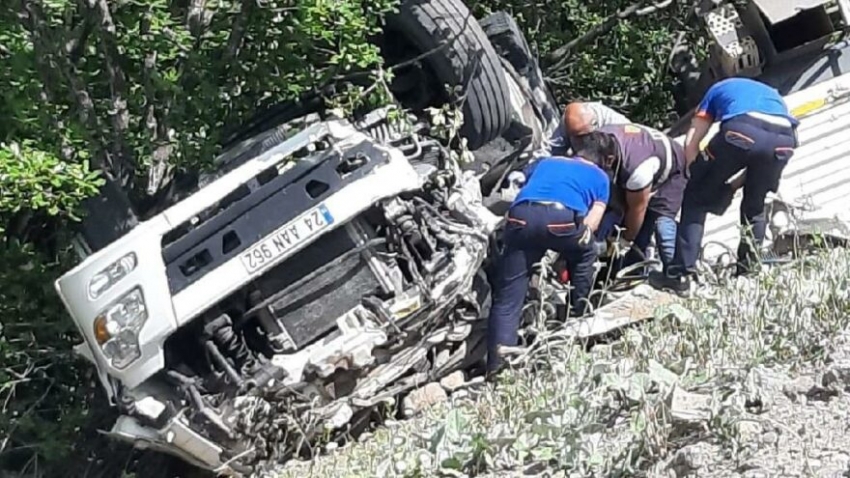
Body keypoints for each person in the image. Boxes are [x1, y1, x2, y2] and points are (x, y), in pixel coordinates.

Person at [650, 77, 799, 293]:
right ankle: (748, 270)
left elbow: (692, 141)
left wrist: (696, 178)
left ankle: (680, 275)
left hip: (742, 129)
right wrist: (729, 187)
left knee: (695, 198)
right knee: (755, 206)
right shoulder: (772, 95)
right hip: (784, 140)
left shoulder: (716, 89)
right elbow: (756, 158)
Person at [486, 136, 617, 373]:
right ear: (607, 159)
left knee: (506, 302)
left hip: (520, 217)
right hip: (561, 221)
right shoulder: (601, 178)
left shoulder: (547, 161)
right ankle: (579, 318)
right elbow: (591, 225)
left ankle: (497, 370)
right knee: (586, 253)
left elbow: (521, 180)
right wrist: (572, 250)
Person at [578, 123, 688, 270]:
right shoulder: (597, 140)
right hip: (642, 151)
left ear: (610, 160)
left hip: (673, 166)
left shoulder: (637, 171)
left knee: (658, 223)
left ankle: (674, 272)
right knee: (612, 208)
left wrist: (625, 240)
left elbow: (637, 209)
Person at [543, 101, 630, 157]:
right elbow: (552, 146)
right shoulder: (570, 120)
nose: (578, 140)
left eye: (581, 136)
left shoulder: (616, 125)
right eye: (574, 137)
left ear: (593, 125)